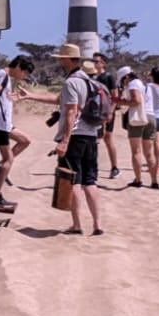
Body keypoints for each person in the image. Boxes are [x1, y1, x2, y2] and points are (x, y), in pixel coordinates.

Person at [51, 43, 105, 235]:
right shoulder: (91, 82)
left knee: (73, 180)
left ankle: (77, 225)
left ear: (68, 59)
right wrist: (30, 96)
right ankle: (98, 225)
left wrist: (64, 141)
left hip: (75, 137)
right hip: (91, 136)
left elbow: (71, 111)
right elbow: (61, 101)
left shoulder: (71, 82)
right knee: (90, 181)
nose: (59, 61)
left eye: (61, 58)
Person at [0, 54, 36, 213]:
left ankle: (0, 167)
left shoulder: (7, 78)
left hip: (5, 123)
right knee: (9, 158)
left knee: (25, 140)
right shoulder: (1, 74)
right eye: (25, 73)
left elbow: (1, 98)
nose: (24, 76)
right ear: (19, 66)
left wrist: (12, 98)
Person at [116, 66, 159, 189]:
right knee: (149, 153)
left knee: (136, 151)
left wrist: (121, 102)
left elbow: (136, 101)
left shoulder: (133, 84)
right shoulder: (145, 84)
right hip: (151, 117)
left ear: (127, 77)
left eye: (123, 80)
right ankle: (154, 180)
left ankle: (138, 179)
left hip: (138, 119)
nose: (124, 83)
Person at [91, 52, 121, 178]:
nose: (94, 63)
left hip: (106, 112)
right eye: (93, 61)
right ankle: (93, 168)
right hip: (94, 112)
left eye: (97, 61)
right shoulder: (92, 77)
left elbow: (115, 96)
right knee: (93, 140)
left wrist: (111, 112)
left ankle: (114, 167)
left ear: (103, 63)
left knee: (108, 138)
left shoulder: (109, 77)